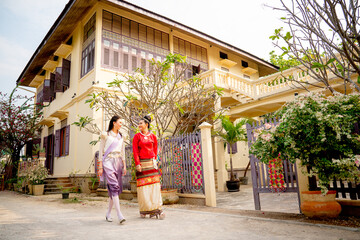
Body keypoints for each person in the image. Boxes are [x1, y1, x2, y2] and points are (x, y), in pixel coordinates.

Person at [132, 115, 165, 219]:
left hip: (152, 164)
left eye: (141, 123)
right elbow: (135, 151)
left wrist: (155, 161)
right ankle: (145, 209)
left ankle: (156, 208)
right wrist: (137, 164)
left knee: (154, 186)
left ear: (146, 124)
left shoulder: (153, 136)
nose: (139, 125)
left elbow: (155, 150)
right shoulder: (137, 136)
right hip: (142, 165)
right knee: (143, 188)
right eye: (139, 123)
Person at [98, 115, 127, 224]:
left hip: (118, 161)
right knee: (114, 186)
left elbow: (123, 151)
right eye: (120, 122)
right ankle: (119, 215)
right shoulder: (106, 135)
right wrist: (100, 166)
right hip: (108, 161)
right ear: (114, 123)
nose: (121, 124)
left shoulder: (121, 136)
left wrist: (124, 165)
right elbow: (101, 151)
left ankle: (108, 213)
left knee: (114, 189)